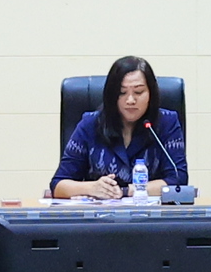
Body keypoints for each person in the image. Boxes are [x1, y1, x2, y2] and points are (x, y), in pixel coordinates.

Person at [51, 54, 187, 199]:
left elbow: (178, 180)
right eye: (122, 93)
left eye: (138, 92)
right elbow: (58, 185)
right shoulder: (90, 124)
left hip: (149, 212)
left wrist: (127, 191)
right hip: (101, 212)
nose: (130, 100)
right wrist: (92, 188)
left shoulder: (166, 122)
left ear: (151, 93)